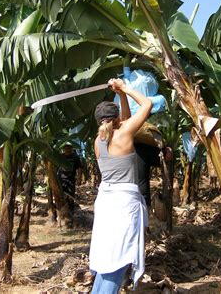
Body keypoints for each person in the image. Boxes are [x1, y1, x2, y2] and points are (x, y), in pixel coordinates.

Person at [89, 78, 152, 294]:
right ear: (116, 120)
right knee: (119, 259)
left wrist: (121, 95)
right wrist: (125, 88)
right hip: (123, 204)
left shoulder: (98, 141)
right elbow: (147, 105)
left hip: (106, 201)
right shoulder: (124, 134)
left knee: (108, 256)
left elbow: (124, 119)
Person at [56, 142, 82, 227]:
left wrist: (79, 178)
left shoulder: (75, 157)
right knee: (60, 198)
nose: (67, 149)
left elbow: (79, 169)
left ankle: (70, 216)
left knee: (71, 198)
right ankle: (60, 217)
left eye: (69, 148)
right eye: (66, 148)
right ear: (64, 148)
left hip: (71, 180)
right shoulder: (60, 157)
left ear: (71, 148)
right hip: (61, 180)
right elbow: (55, 168)